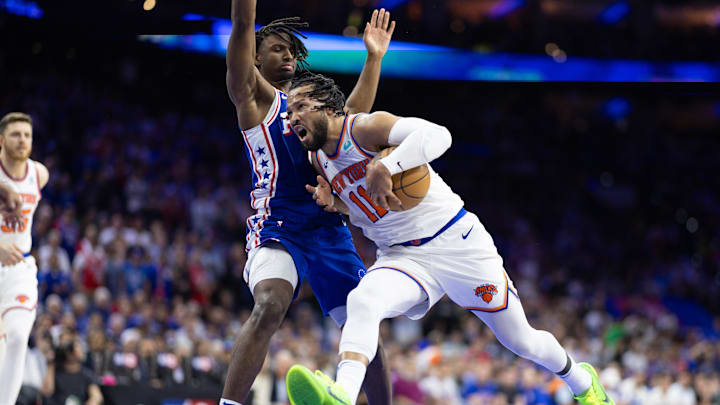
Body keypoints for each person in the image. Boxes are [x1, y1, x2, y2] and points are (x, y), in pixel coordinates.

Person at [283, 72, 615, 405]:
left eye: (300, 106)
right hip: (403, 257)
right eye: (289, 112)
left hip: (456, 243)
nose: (293, 117)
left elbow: (438, 135)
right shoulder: (318, 161)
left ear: (327, 107)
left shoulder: (365, 129)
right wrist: (335, 204)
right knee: (362, 301)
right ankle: (342, 395)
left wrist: (389, 164)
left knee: (521, 340)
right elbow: (366, 209)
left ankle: (583, 382)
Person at [221, 1, 396, 404]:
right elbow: (243, 23)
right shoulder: (251, 97)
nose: (288, 55)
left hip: (329, 229)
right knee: (269, 305)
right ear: (256, 57)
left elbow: (353, 119)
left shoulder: (308, 107)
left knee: (363, 328)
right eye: (278, 48)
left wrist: (373, 58)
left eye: (293, 50)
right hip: (280, 227)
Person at [0, 112, 50, 405]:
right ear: (2, 140)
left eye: (27, 135)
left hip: (20, 268)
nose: (22, 140)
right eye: (16, 134)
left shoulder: (39, 173)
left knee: (19, 336)